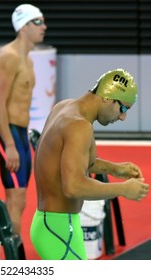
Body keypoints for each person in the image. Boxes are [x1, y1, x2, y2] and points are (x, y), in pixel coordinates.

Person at [30, 68, 149, 260]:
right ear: (108, 98)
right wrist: (123, 189)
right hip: (57, 228)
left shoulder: (65, 108)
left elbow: (81, 162)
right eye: (123, 108)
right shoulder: (79, 126)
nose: (122, 117)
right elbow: (73, 186)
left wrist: (115, 168)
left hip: (54, 223)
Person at [0, 3, 47, 235]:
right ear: (24, 26)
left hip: (20, 133)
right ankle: (14, 259)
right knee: (16, 198)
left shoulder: (29, 60)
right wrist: (10, 144)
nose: (45, 26)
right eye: (39, 22)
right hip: (8, 135)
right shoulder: (9, 57)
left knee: (18, 199)